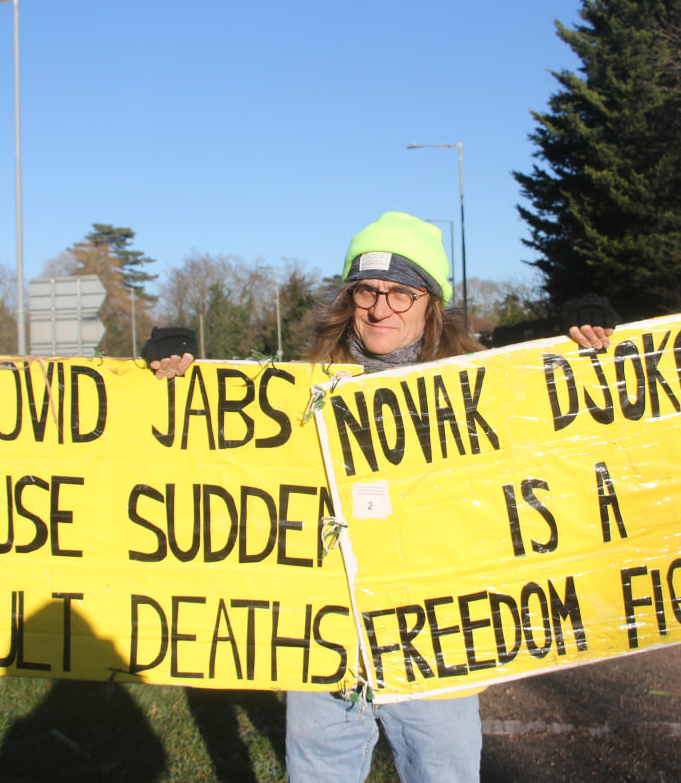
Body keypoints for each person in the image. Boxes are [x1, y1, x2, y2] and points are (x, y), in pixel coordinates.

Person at [147, 211, 616, 782]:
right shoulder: (300, 390)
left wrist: (581, 338)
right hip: (327, 632)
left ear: (430, 302)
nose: (380, 308)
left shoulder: (479, 383)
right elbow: (216, 457)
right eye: (366, 290)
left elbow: (568, 433)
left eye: (401, 292)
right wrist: (174, 375)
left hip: (439, 634)